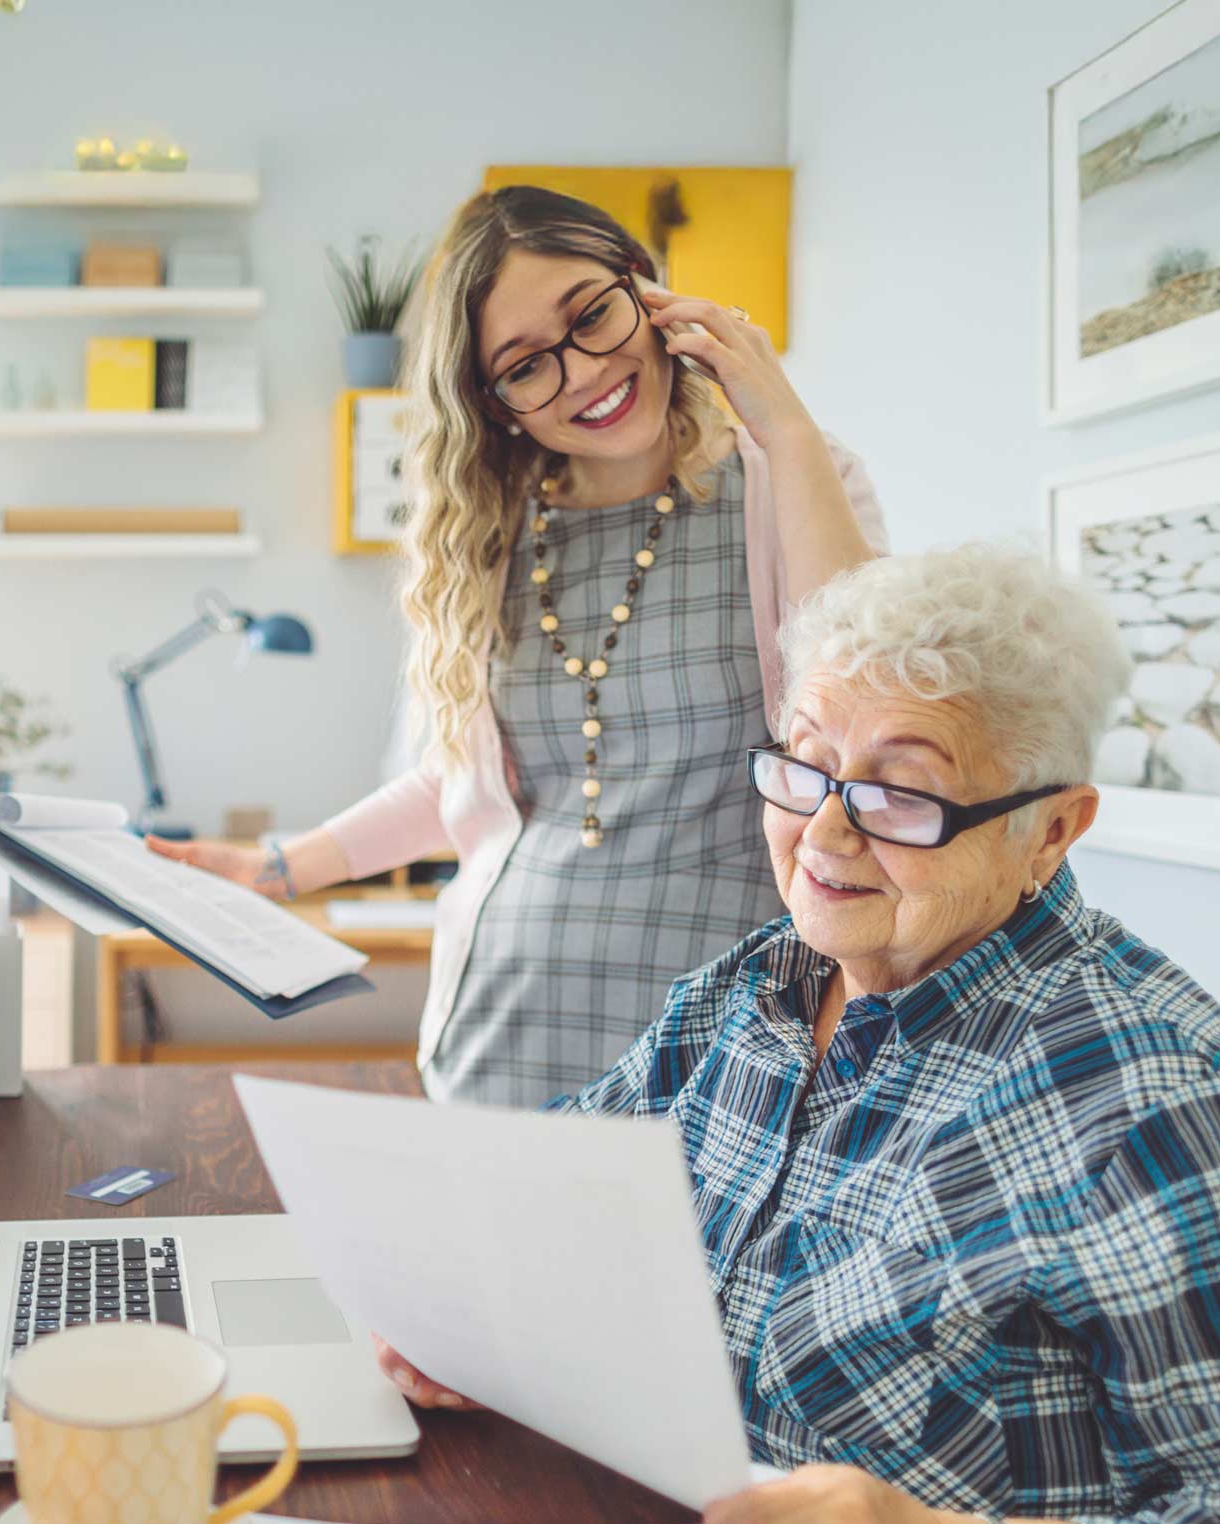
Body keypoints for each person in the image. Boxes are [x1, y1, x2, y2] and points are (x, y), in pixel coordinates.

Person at [381, 544, 1220, 1524]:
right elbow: (552, 1190)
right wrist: (469, 1296)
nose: (830, 837)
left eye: (906, 793)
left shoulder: (1158, 1102)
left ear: (1053, 829)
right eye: (804, 768)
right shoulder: (750, 998)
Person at [147, 184, 885, 1106]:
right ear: (495, 405)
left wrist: (784, 424)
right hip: (502, 1036)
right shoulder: (491, 539)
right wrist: (278, 868)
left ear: (647, 293)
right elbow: (462, 785)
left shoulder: (791, 479)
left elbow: (870, 705)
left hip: (731, 1049)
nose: (581, 373)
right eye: (527, 365)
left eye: (592, 317)